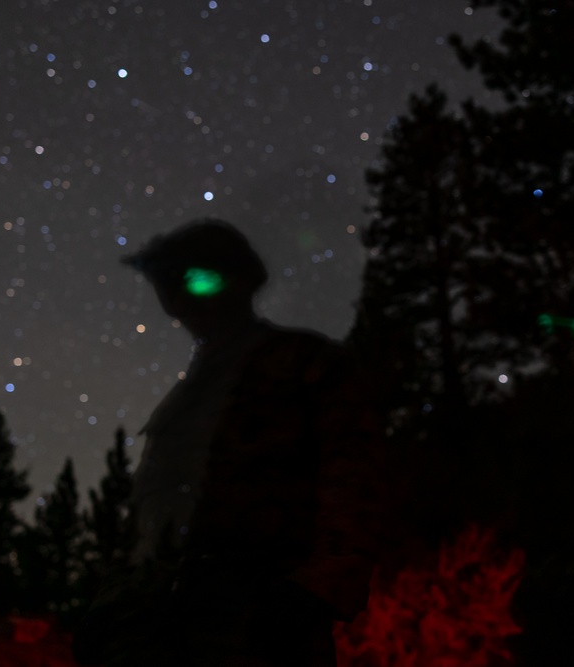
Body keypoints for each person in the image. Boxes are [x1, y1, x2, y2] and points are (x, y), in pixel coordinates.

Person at [72, 218, 386, 667]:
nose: (181, 299)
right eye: (168, 286)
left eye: (198, 279)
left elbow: (356, 476)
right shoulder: (184, 401)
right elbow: (151, 511)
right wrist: (109, 602)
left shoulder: (302, 363)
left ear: (239, 281)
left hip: (255, 612)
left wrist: (319, 588)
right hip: (153, 619)